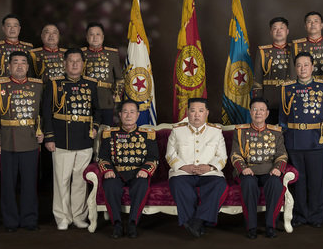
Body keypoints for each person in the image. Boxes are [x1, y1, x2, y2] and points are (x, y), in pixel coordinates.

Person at [42, 48, 100, 231]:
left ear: (83, 64)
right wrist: (49, 137)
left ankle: (78, 216)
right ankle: (62, 216)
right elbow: (46, 112)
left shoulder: (91, 84)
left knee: (80, 181)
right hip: (61, 140)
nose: (74, 64)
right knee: (61, 180)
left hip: (83, 139)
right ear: (64, 64)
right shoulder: (53, 84)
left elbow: (97, 110)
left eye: (78, 61)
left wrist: (95, 128)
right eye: (71, 61)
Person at [0, 51, 43, 232]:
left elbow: (42, 112)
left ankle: (30, 219)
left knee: (30, 183)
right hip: (7, 141)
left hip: (29, 139)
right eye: (15, 62)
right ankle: (10, 221)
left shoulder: (37, 86)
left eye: (23, 63)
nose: (20, 66)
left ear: (28, 67)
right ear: (9, 66)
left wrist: (41, 132)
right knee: (8, 183)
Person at [279, 52, 323, 228]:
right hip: (294, 140)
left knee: (316, 180)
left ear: (312, 66)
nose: (303, 68)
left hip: (315, 140)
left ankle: (316, 216)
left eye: (306, 65)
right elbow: (282, 120)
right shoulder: (287, 89)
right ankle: (300, 215)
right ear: (295, 68)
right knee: (298, 181)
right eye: (299, 65)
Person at [166, 98, 228, 238]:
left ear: (207, 113)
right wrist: (183, 166)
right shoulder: (177, 131)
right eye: (193, 111)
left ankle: (197, 221)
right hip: (183, 172)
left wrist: (210, 167)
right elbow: (170, 154)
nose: (196, 115)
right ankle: (197, 223)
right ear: (188, 112)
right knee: (177, 184)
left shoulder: (216, 132)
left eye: (200, 111)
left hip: (208, 173)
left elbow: (222, 157)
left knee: (219, 184)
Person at [98, 100, 159, 238]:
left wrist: (145, 170)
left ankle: (132, 223)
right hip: (116, 173)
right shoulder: (110, 134)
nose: (128, 115)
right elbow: (103, 157)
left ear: (138, 115)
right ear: (120, 114)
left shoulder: (147, 134)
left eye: (132, 112)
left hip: (138, 173)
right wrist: (108, 170)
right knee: (110, 185)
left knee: (142, 185)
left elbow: (153, 157)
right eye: (125, 112)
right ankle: (117, 224)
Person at [230, 97, 287, 239]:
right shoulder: (240, 131)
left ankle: (270, 226)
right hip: (248, 171)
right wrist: (243, 168)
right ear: (250, 112)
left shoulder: (276, 132)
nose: (258, 113)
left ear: (267, 113)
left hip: (269, 171)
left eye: (261, 110)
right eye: (255, 109)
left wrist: (278, 168)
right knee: (248, 184)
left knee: (275, 184)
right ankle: (251, 227)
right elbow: (235, 154)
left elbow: (282, 154)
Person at [252, 17, 294, 124]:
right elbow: (257, 81)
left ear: (287, 31)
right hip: (270, 99)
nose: (278, 31)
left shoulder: (295, 50)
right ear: (271, 32)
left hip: (291, 98)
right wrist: (259, 103)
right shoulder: (263, 51)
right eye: (275, 28)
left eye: (281, 28)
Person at [82, 22, 124, 125]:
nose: (95, 37)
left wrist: (117, 95)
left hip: (107, 99)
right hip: (87, 99)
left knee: (106, 132)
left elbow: (119, 78)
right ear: (87, 37)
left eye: (98, 34)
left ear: (103, 37)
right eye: (91, 34)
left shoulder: (112, 54)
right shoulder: (81, 54)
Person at [293, 11, 323, 81]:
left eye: (316, 21)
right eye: (309, 22)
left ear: (321, 25)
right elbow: (293, 71)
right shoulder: (297, 45)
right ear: (305, 26)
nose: (313, 24)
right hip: (304, 85)